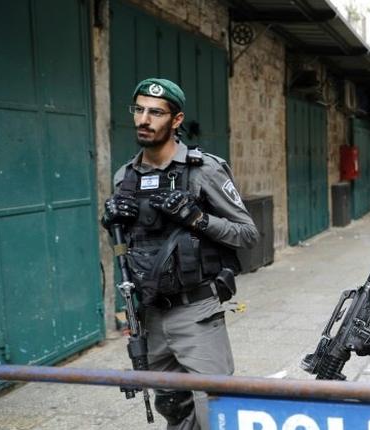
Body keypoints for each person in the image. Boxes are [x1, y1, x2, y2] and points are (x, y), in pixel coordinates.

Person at [101, 78, 257, 429]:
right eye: (139, 110)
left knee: (216, 413)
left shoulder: (205, 170)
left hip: (196, 312)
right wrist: (109, 221)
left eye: (155, 112)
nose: (144, 119)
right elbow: (130, 246)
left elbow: (248, 234)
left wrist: (197, 218)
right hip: (150, 315)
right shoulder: (124, 176)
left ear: (175, 120)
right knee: (173, 409)